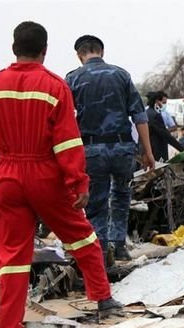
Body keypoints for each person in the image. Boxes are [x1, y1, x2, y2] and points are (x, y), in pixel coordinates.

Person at [0, 21, 121, 328]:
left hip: (7, 175)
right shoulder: (54, 86)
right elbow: (67, 142)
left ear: (14, 47)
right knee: (80, 235)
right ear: (45, 50)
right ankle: (104, 299)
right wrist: (78, 181)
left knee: (11, 258)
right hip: (45, 175)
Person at [66, 34, 154, 263]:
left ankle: (102, 250)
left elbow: (63, 119)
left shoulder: (73, 78)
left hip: (92, 150)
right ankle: (119, 245)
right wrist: (148, 151)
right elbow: (139, 115)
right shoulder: (121, 75)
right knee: (122, 196)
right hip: (122, 148)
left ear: (79, 55)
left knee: (96, 200)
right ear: (101, 52)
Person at [146, 91, 184, 161]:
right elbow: (165, 135)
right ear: (157, 101)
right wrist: (182, 150)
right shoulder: (155, 115)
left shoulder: (147, 113)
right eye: (162, 103)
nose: (163, 105)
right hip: (157, 150)